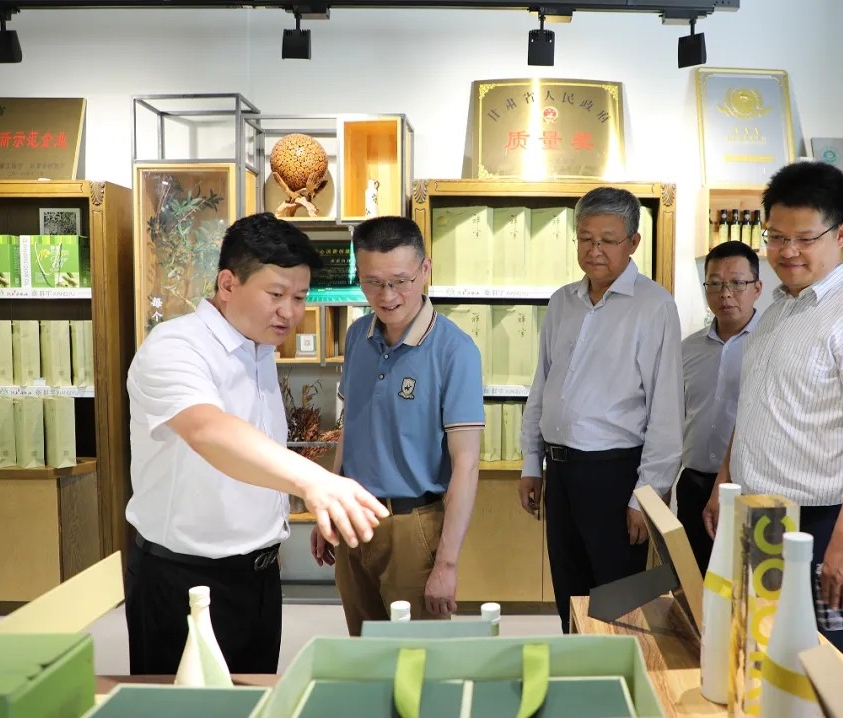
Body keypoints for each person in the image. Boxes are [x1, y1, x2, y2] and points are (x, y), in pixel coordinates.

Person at [125, 212, 388, 675]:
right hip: (184, 579)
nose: (290, 312)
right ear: (228, 284)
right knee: (183, 703)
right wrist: (314, 481)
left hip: (260, 575)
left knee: (256, 695)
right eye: (276, 294)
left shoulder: (259, 349)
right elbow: (208, 429)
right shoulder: (175, 346)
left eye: (300, 297)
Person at [702, 161, 843, 668]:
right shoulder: (778, 309)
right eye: (776, 237)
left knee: (824, 669)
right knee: (760, 661)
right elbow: (756, 405)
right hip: (761, 518)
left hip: (824, 524)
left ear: (842, 234)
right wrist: (725, 481)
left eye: (804, 238)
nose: (787, 251)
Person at [519, 186, 684, 632]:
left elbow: (666, 410)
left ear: (633, 242)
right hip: (561, 473)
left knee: (617, 603)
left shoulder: (654, 306)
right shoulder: (562, 301)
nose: (595, 250)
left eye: (608, 240)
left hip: (616, 476)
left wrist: (645, 496)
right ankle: (577, 668)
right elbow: (542, 387)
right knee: (568, 592)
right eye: (586, 239)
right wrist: (532, 463)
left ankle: (616, 673)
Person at [309, 216, 484, 636]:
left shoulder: (455, 350)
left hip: (413, 527)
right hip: (353, 519)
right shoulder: (358, 336)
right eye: (373, 283)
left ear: (425, 270)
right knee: (364, 651)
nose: (387, 297)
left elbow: (466, 464)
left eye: (400, 282)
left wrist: (447, 563)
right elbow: (351, 427)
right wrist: (330, 507)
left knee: (419, 657)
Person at [677, 241, 762, 574]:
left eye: (737, 283)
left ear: (757, 288)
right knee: (695, 581)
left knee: (744, 585)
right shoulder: (687, 349)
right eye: (715, 283)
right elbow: (674, 418)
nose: (725, 293)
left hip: (748, 488)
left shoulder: (769, 345)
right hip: (693, 484)